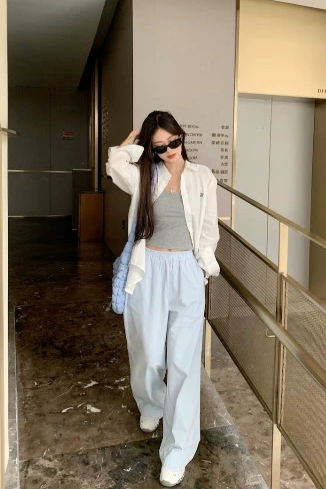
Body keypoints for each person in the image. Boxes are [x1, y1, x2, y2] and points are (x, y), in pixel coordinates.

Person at [106, 110, 220, 487]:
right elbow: (115, 166)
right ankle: (151, 403)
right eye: (159, 147)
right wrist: (130, 144)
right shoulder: (146, 175)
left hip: (186, 270)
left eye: (173, 141)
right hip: (149, 269)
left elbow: (208, 230)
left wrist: (202, 269)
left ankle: (177, 451)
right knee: (148, 353)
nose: (170, 150)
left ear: (181, 136)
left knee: (184, 364)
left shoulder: (202, 177)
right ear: (151, 149)